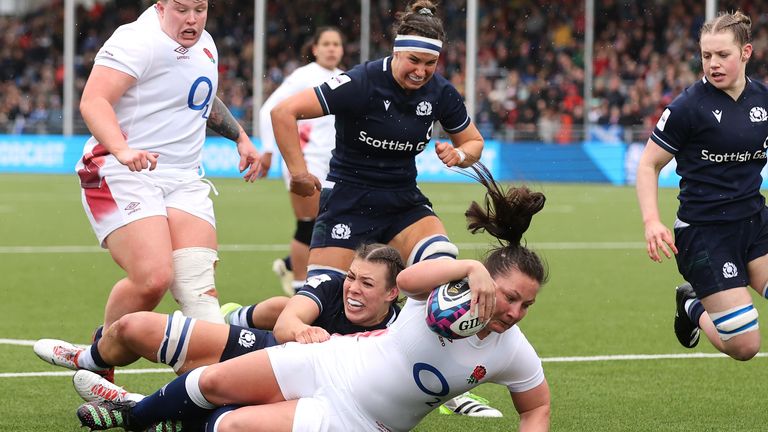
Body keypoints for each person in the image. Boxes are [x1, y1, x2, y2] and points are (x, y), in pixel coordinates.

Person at [74, 163, 552, 432]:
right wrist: (470, 267)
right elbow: (407, 282)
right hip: (329, 361)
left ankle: (154, 417)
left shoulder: (512, 351)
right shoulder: (444, 290)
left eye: (526, 305)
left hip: (354, 421)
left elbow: (536, 407)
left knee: (232, 428)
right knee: (211, 381)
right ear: (486, 281)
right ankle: (138, 417)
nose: (514, 312)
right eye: (510, 297)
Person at [271, 0, 491, 415]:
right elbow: (285, 112)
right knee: (326, 305)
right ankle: (246, 318)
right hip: (348, 201)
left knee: (442, 266)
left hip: (402, 202)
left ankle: (438, 378)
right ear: (396, 51)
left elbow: (473, 142)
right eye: (414, 60)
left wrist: (460, 156)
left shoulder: (441, 93)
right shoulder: (360, 82)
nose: (421, 71)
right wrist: (298, 173)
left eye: (430, 63)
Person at [76, 0, 262, 352]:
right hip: (122, 169)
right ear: (161, 6)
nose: (192, 19)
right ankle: (101, 357)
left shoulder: (206, 44)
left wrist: (240, 136)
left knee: (199, 293)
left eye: (200, 9)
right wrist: (121, 149)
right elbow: (94, 100)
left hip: (185, 178)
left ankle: (210, 390)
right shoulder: (135, 40)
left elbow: (201, 98)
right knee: (153, 279)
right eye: (182, 9)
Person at [33, 243, 402, 403]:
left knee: (221, 411)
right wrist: (304, 332)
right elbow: (288, 323)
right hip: (267, 351)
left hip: (295, 390)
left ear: (392, 294)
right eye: (353, 276)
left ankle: (132, 404)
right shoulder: (332, 284)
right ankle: (88, 358)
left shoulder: (400, 329)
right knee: (132, 327)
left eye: (366, 283)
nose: (352, 288)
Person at [636, 10, 768, 361]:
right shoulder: (688, 107)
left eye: (723, 55)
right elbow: (648, 164)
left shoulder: (764, 100)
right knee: (745, 347)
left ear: (746, 52)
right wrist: (652, 221)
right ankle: (691, 304)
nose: (713, 64)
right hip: (705, 232)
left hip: (756, 223)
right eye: (706, 55)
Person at [258, 27, 345, 296]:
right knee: (310, 223)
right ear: (315, 48)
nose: (332, 49)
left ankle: (289, 265)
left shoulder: (343, 77)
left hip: (335, 163)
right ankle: (299, 287)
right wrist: (269, 150)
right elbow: (268, 109)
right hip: (305, 160)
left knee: (332, 222)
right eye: (326, 44)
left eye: (336, 44)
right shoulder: (303, 76)